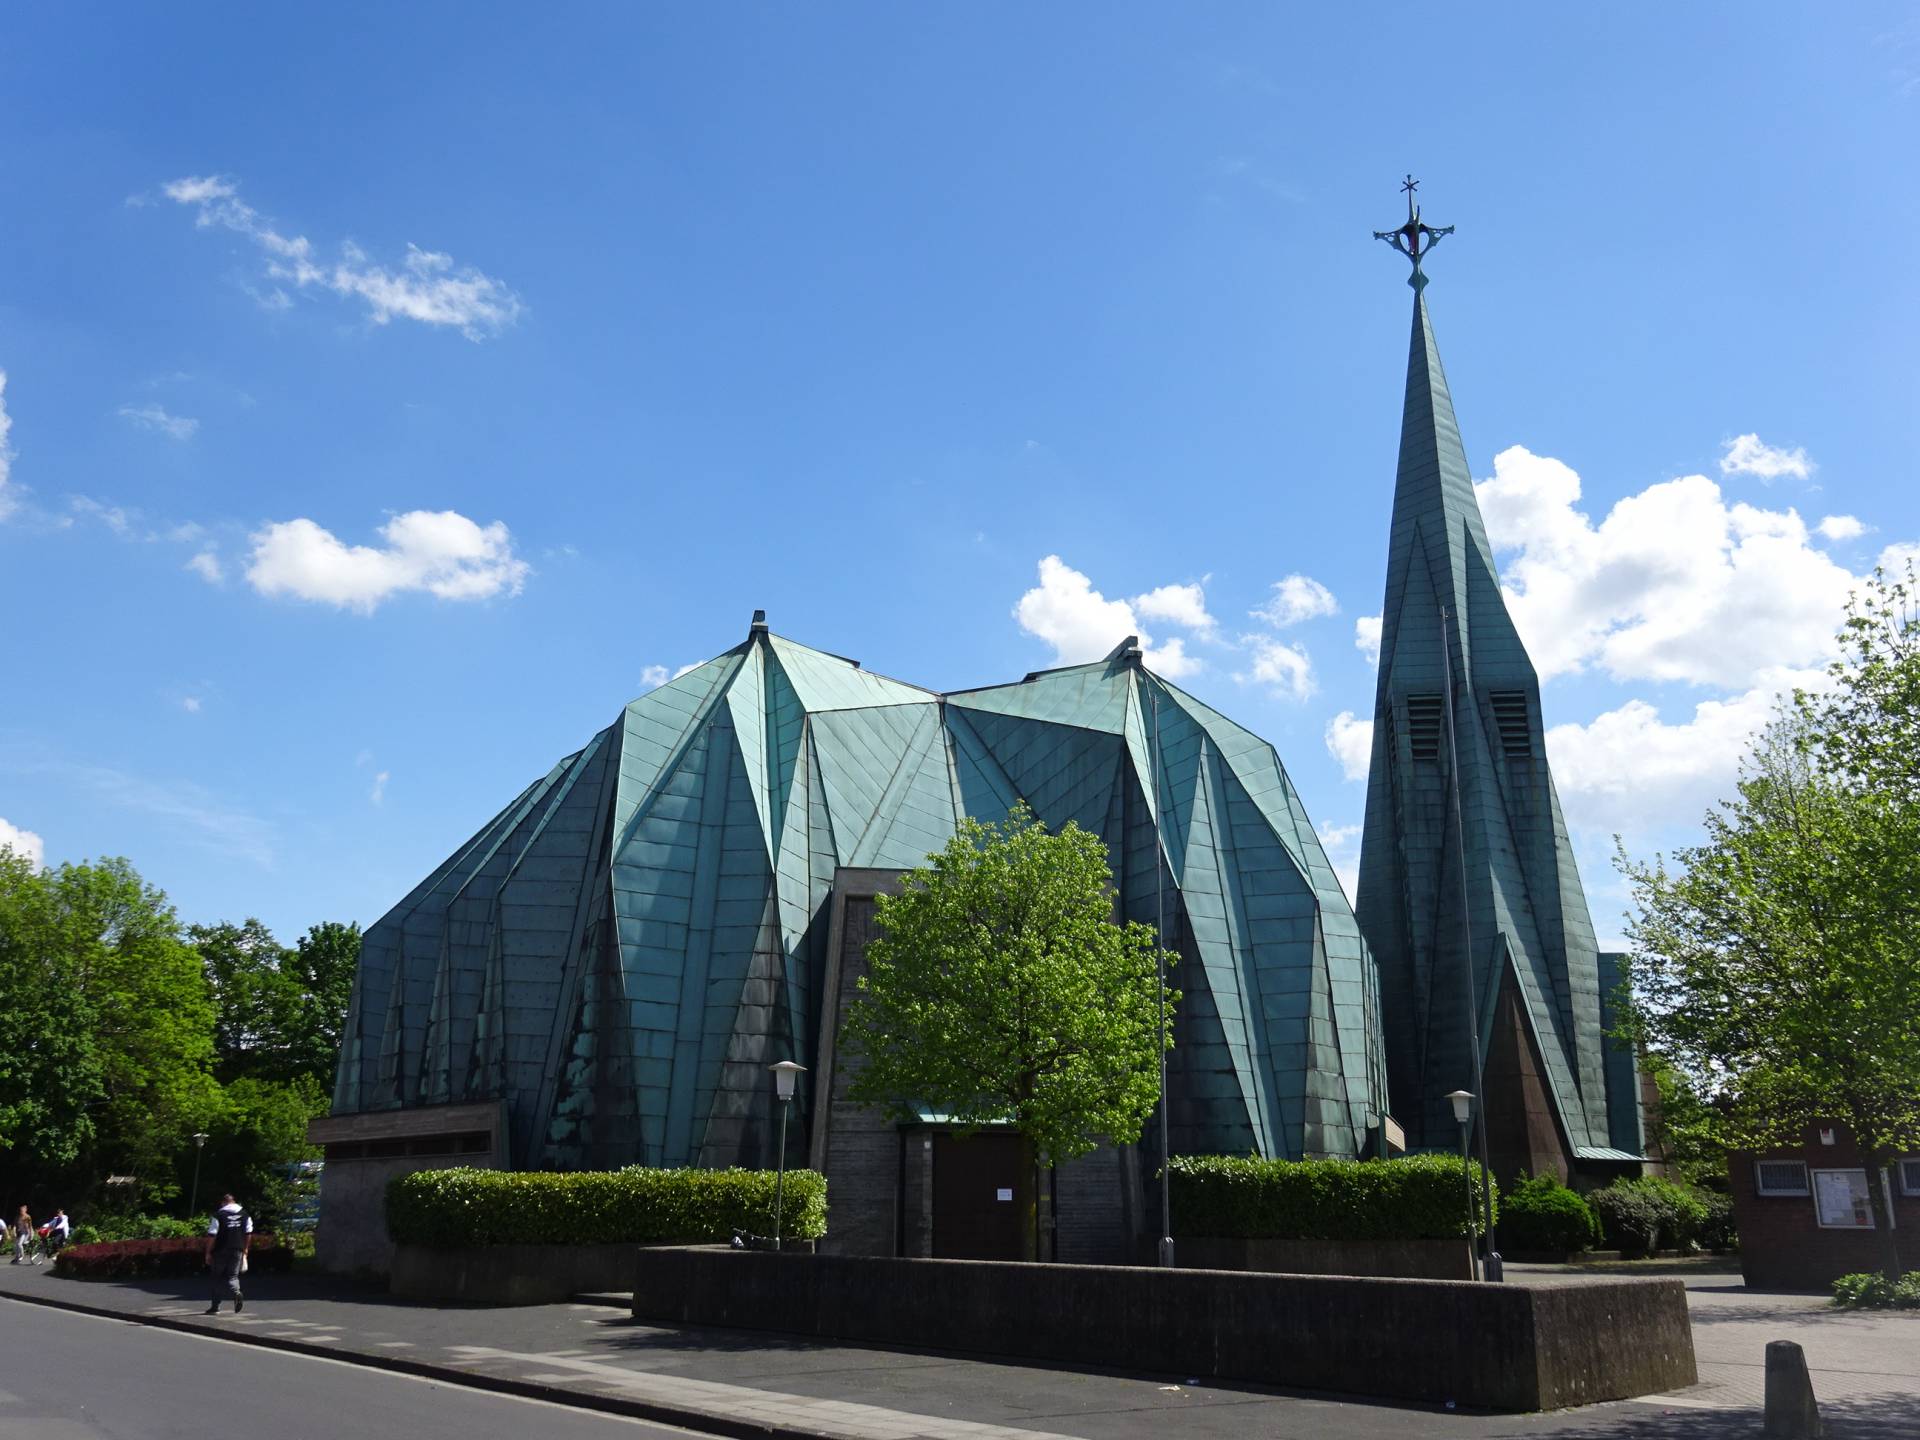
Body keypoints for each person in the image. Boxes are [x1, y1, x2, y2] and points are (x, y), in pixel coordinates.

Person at [203, 1193, 252, 1315]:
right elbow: (248, 1233)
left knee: (216, 1277)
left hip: (220, 1250)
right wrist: (245, 1249)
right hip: (238, 1249)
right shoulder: (245, 1214)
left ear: (223, 1202)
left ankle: (215, 1307)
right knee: (233, 1276)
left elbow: (212, 1235)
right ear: (234, 1201)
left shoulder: (219, 1215)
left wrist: (208, 1252)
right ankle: (236, 1292)